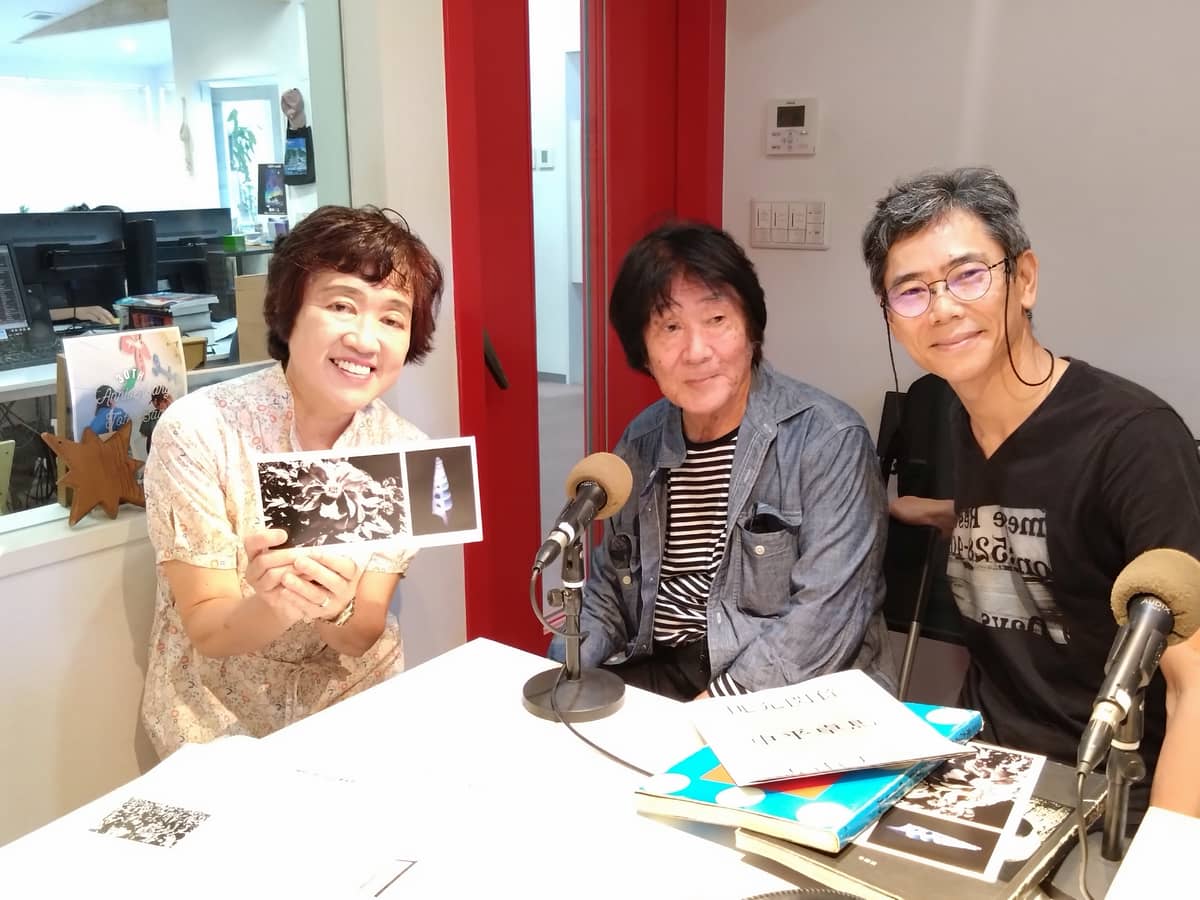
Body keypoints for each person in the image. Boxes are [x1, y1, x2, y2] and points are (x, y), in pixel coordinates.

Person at [861, 166, 1200, 819]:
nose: (943, 307)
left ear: (1025, 279)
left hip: (1104, 796)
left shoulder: (1135, 440)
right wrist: (941, 512)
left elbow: (1195, 688)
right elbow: (1042, 514)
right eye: (911, 291)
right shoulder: (962, 417)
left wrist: (1159, 858)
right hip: (978, 768)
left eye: (968, 275)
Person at [140, 205, 443, 758]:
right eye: (341, 305)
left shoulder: (405, 453)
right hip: (219, 721)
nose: (365, 339)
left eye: (393, 319)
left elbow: (362, 631)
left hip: (353, 702)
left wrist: (336, 607)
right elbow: (208, 629)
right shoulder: (199, 430)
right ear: (290, 310)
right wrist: (277, 604)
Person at [558, 222, 895, 701]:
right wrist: (565, 669)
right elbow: (610, 589)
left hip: (790, 690)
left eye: (716, 319)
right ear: (644, 353)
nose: (697, 352)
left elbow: (825, 617)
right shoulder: (641, 441)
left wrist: (712, 708)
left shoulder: (828, 439)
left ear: (751, 330)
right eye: (670, 327)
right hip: (661, 671)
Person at [138, 384, 172, 453]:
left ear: (155, 401)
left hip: (156, 453)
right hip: (171, 451)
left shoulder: (150, 416)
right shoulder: (175, 411)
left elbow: (143, 434)